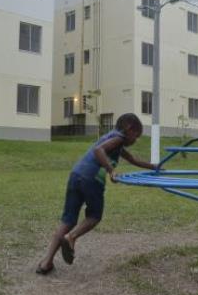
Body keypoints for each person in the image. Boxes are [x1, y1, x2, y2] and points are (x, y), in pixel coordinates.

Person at [36, 113, 155, 275]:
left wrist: (154, 167)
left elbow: (133, 160)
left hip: (76, 175)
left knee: (68, 220)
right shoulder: (119, 138)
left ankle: (46, 263)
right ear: (129, 129)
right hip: (91, 179)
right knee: (94, 216)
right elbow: (99, 150)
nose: (136, 140)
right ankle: (71, 237)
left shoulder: (114, 140)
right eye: (136, 135)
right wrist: (111, 170)